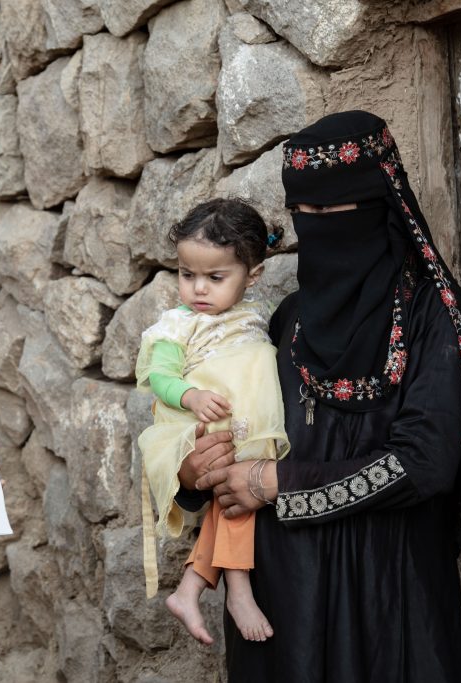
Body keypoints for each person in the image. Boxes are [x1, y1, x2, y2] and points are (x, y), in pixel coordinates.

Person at [177, 111, 461, 681]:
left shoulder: (432, 317)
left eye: (331, 212)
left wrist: (280, 484)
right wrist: (195, 473)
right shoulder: (287, 320)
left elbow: (426, 463)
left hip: (389, 599)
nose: (316, 227)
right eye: (304, 214)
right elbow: (233, 426)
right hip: (283, 608)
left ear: (377, 209)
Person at [135, 199, 290, 645]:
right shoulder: (176, 326)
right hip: (201, 423)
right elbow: (158, 377)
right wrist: (191, 395)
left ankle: (192, 586)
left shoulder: (255, 316)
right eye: (188, 275)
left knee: (232, 498)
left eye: (215, 278)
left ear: (253, 276)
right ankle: (237, 589)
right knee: (234, 495)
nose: (198, 289)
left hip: (240, 422)